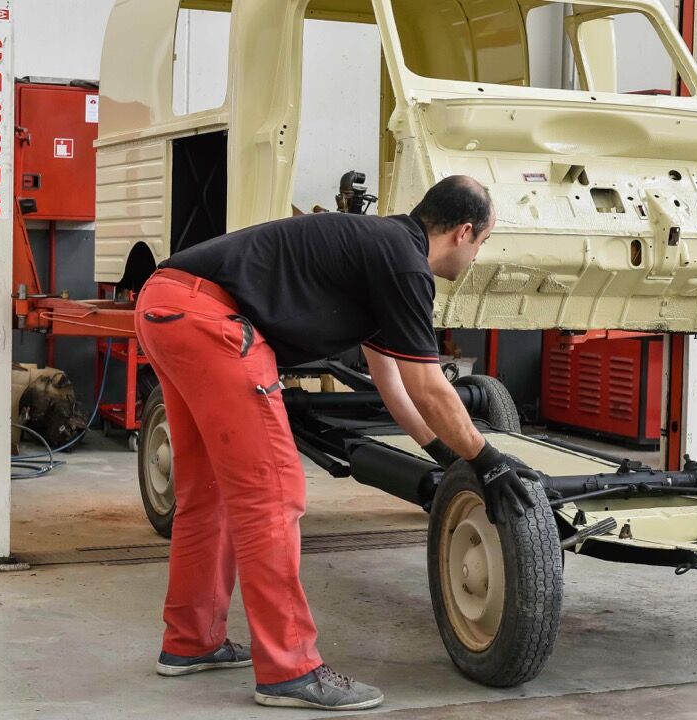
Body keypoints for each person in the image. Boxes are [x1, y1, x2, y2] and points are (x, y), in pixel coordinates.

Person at [134, 176, 537, 710]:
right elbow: (429, 387)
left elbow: (395, 385)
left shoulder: (379, 250)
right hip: (212, 320)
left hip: (166, 304)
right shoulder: (404, 265)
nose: (477, 254)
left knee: (206, 493)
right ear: (464, 232)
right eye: (482, 242)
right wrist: (486, 459)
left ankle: (191, 642)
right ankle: (290, 670)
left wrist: (446, 457)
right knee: (273, 497)